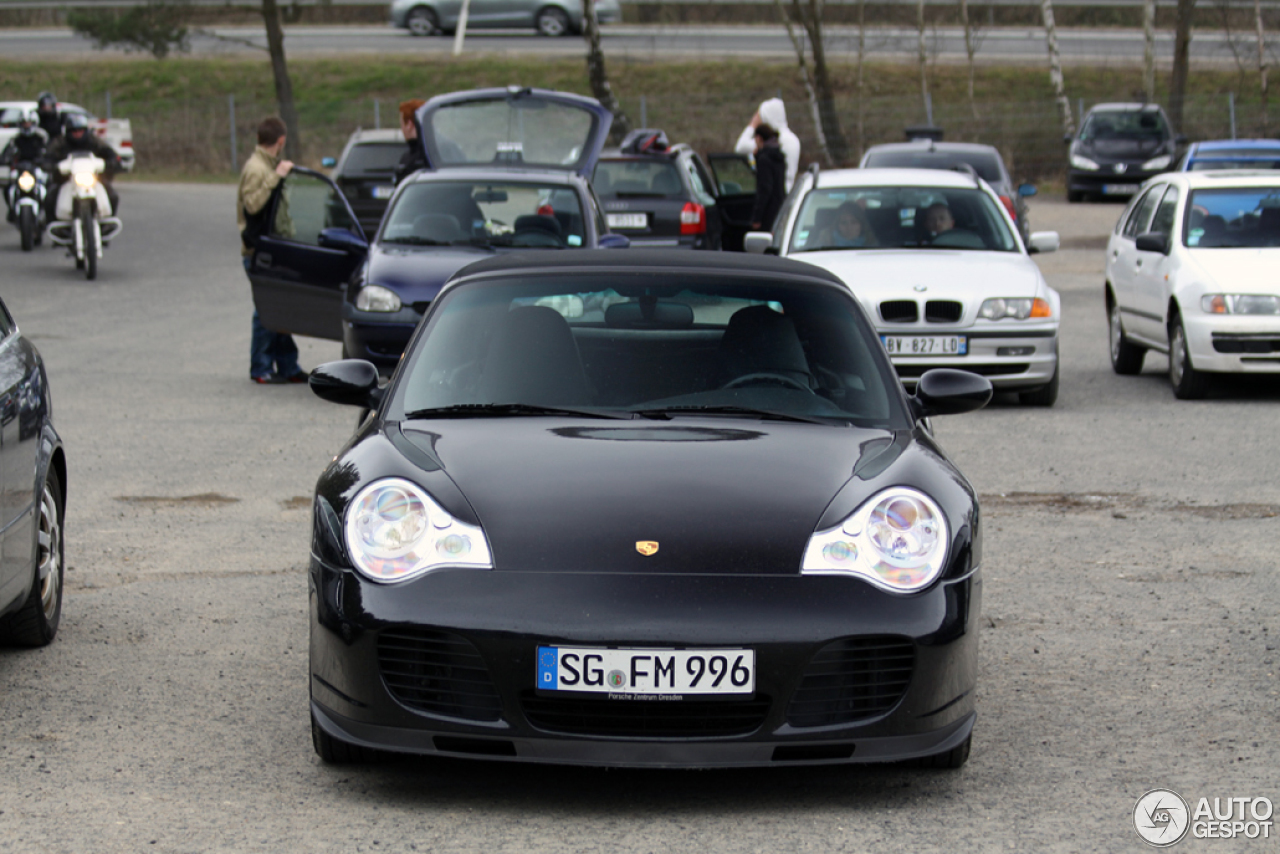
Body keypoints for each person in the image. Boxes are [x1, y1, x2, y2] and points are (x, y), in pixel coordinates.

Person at [237, 116, 305, 385]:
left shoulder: (267, 167)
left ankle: (288, 365)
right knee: (266, 309)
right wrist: (275, 178)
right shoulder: (258, 170)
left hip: (275, 250)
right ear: (281, 141)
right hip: (259, 252)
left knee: (280, 307)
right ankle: (261, 367)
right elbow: (253, 205)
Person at [44, 112, 121, 223]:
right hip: (66, 179)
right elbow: (48, 156)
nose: (77, 134)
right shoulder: (60, 142)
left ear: (85, 131)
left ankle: (107, 222)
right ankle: (53, 224)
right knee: (50, 198)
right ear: (68, 132)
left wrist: (113, 162)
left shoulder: (94, 141)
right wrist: (49, 164)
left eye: (80, 130)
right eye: (74, 131)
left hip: (93, 179)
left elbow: (109, 153)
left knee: (112, 196)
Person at [733, 97, 801, 193]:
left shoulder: (770, 141)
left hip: (774, 194)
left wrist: (753, 124)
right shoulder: (793, 139)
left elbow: (740, 147)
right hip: (789, 192)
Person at [2, 113, 48, 223]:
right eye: (24, 123)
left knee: (48, 185)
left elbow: (48, 152)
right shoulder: (15, 139)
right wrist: (6, 160)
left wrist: (45, 161)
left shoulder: (40, 138)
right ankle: (12, 209)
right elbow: (6, 154)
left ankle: (46, 211)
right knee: (8, 187)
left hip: (36, 168)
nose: (26, 126)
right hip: (20, 169)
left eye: (28, 123)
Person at [749, 123, 786, 232]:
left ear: (759, 138)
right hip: (779, 208)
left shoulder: (764, 160)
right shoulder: (778, 157)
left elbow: (764, 189)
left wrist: (757, 217)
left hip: (767, 213)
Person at [394, 98, 427, 185]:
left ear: (409, 125)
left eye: (401, 124)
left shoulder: (409, 159)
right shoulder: (439, 153)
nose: (402, 129)